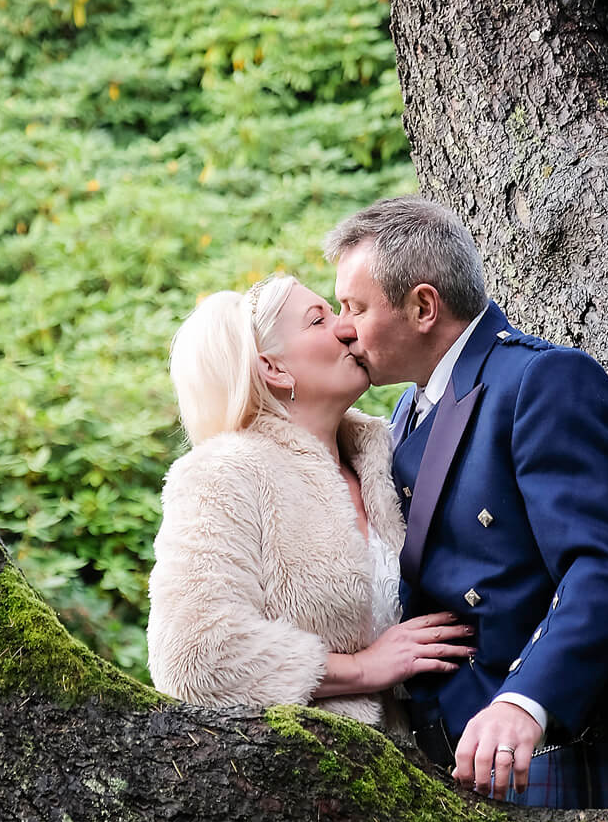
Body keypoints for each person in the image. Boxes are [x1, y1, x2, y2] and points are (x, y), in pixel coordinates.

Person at [326, 196, 608, 809]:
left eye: (356, 307)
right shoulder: (410, 405)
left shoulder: (544, 380)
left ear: (423, 306)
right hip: (442, 756)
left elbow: (607, 564)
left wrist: (524, 701)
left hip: (539, 746)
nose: (344, 326)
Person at [146, 273, 474, 727]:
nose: (345, 327)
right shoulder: (221, 474)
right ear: (274, 369)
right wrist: (362, 668)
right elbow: (193, 654)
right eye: (318, 320)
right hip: (309, 777)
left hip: (431, 769)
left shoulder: (386, 458)